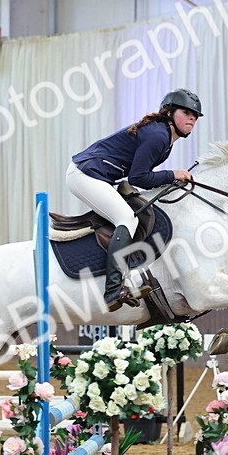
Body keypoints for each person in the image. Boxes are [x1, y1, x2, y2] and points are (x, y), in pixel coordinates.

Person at [67, 88, 202, 310]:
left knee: (134, 211)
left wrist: (170, 177)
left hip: (99, 176)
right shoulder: (158, 136)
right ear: (169, 113)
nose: (192, 118)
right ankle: (112, 291)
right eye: (186, 112)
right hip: (84, 175)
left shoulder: (164, 137)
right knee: (127, 218)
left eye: (195, 115)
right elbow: (138, 176)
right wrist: (172, 174)